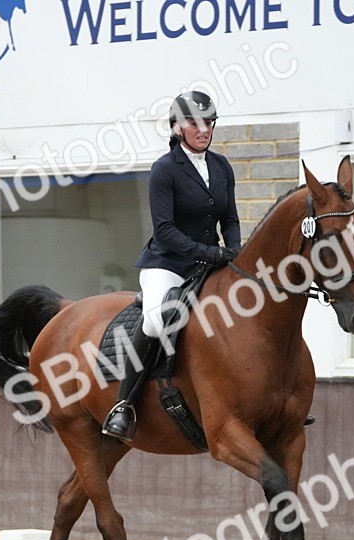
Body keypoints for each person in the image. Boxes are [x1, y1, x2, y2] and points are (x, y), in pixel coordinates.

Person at [101, 90, 241, 443]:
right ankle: (124, 405)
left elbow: (230, 217)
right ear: (177, 127)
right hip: (169, 263)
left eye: (208, 122)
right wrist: (210, 253)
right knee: (153, 318)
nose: (203, 129)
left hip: (209, 264)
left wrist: (235, 250)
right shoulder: (164, 169)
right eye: (194, 123)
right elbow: (164, 229)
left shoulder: (222, 166)